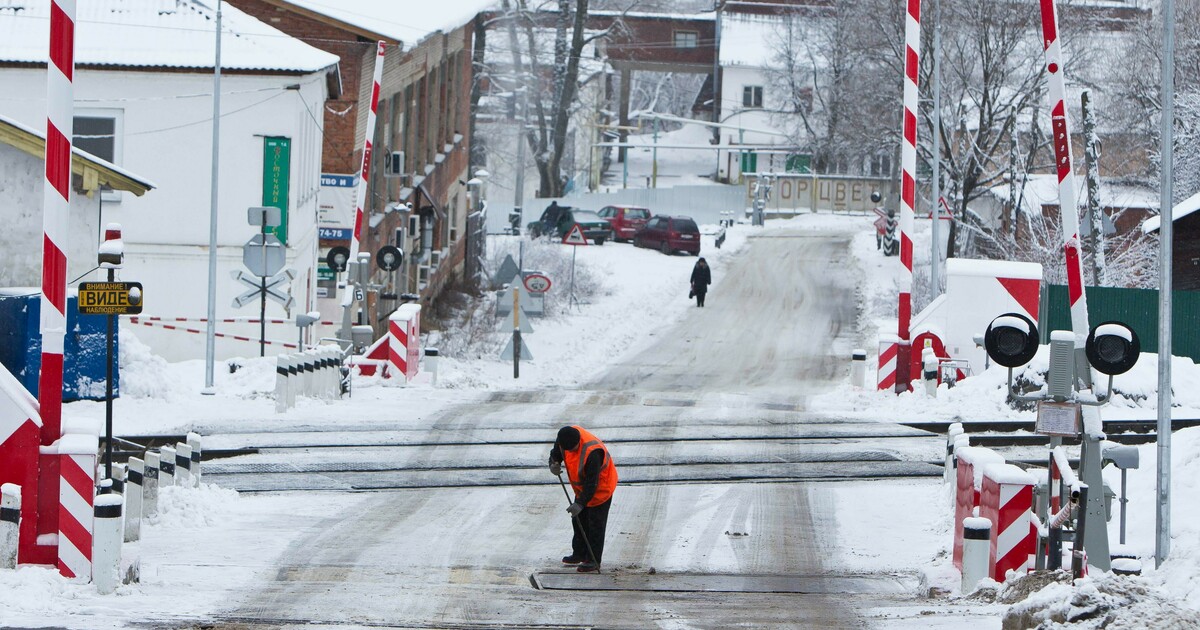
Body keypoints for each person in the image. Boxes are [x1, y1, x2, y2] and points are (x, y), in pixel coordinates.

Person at [548, 425, 618, 573]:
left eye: (573, 449)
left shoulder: (592, 452)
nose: (571, 452)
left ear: (578, 441)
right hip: (581, 487)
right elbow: (556, 454)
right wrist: (553, 463)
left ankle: (593, 560)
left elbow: (592, 483)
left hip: (600, 487)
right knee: (578, 519)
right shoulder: (564, 438)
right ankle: (579, 553)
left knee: (595, 524)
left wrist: (580, 503)